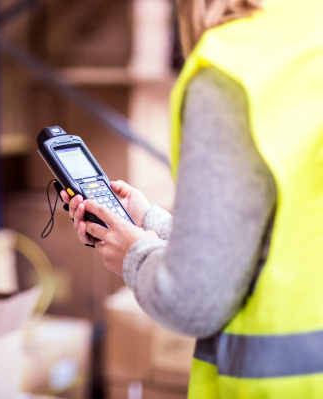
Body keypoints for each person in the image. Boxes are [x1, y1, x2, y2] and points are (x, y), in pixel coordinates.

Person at [61, 0, 323, 397]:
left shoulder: (234, 66)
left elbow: (193, 300)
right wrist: (148, 221)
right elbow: (280, 236)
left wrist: (133, 254)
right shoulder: (310, 33)